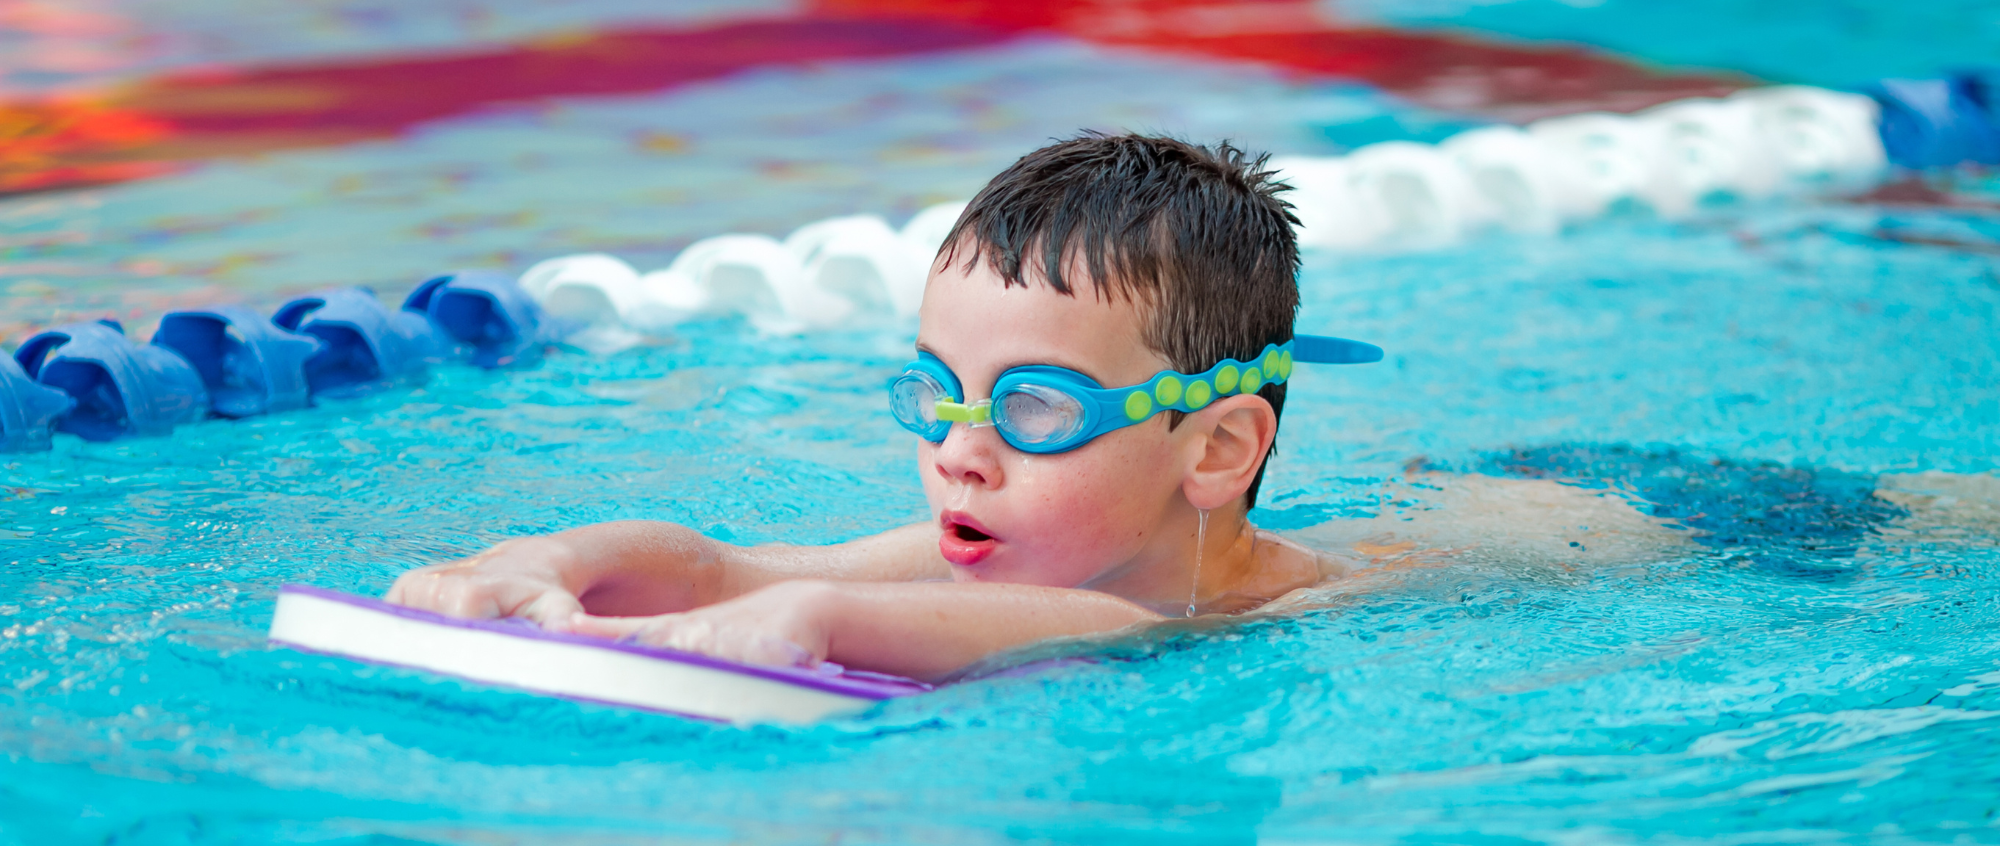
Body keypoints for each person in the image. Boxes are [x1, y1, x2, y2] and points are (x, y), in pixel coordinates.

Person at [385, 133, 1673, 681]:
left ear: (1217, 447)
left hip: (1653, 524)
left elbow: (1074, 629)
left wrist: (823, 624)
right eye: (938, 397)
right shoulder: (1010, 534)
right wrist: (543, 563)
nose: (961, 455)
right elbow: (738, 566)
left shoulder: (1245, 604)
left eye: (1037, 409)